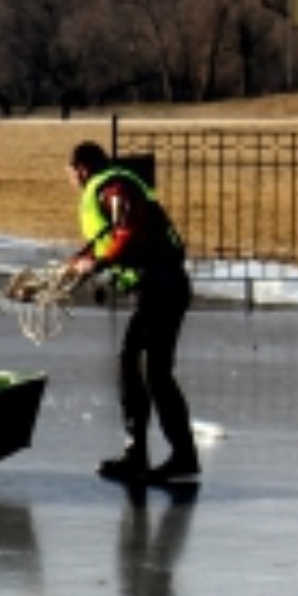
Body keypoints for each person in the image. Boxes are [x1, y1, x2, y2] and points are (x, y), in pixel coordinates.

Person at [62, 141, 199, 483]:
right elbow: (113, 235)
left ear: (80, 168)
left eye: (70, 173)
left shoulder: (112, 186)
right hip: (162, 286)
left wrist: (99, 263)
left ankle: (156, 454)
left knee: (145, 368)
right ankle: (162, 453)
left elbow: (129, 228)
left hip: (161, 287)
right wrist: (85, 261)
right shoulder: (115, 184)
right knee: (148, 369)